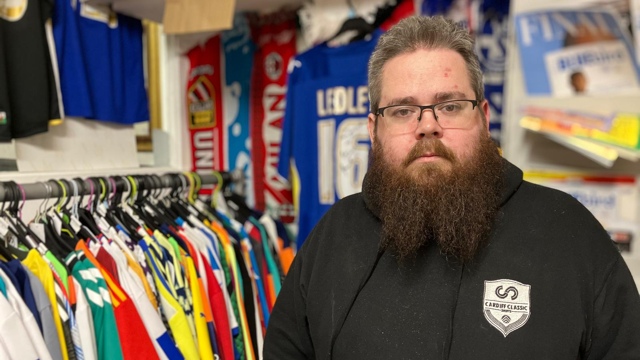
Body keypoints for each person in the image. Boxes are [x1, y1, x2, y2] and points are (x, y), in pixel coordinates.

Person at [264, 16, 640, 359]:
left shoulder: (569, 233)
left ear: (484, 118)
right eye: (402, 111)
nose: (427, 125)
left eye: (450, 106)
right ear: (372, 130)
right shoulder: (332, 239)